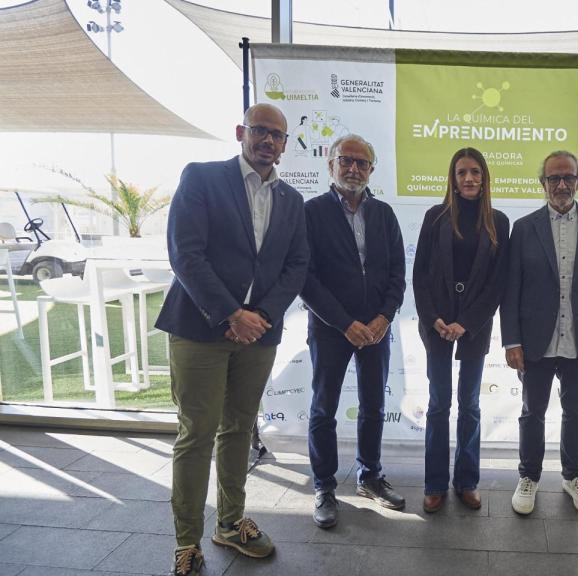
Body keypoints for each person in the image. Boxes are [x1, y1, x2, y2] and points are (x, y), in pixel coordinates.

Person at [157, 102, 309, 576]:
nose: (268, 141)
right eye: (261, 131)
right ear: (242, 132)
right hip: (200, 329)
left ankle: (229, 521)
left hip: (259, 334)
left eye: (277, 135)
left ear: (285, 145)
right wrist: (230, 313)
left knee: (239, 428)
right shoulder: (202, 177)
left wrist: (260, 315)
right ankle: (187, 542)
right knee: (196, 433)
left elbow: (296, 265)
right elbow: (186, 253)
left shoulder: (291, 200)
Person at [501, 150, 578, 516]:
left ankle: (573, 476)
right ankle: (529, 477)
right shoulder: (523, 229)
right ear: (543, 184)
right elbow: (511, 290)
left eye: (568, 177)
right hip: (536, 340)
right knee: (532, 412)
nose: (562, 184)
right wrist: (512, 340)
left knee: (576, 411)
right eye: (554, 178)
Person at [302, 134, 406, 529]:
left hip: (377, 329)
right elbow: (306, 278)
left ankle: (370, 476)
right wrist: (344, 323)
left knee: (374, 407)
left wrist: (383, 318)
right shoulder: (311, 213)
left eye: (362, 163)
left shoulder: (384, 214)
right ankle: (325, 487)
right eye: (346, 160)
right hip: (331, 329)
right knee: (323, 409)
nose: (354, 168)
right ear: (331, 164)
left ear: (371, 170)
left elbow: (398, 274)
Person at [413, 147, 510, 513]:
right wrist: (433, 318)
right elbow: (420, 274)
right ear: (452, 179)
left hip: (475, 326)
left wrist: (465, 322)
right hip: (436, 324)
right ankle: (435, 483)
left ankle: (466, 481)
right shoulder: (434, 217)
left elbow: (497, 284)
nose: (468, 178)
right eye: (461, 172)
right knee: (439, 405)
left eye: (475, 172)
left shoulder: (499, 222)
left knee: (469, 405)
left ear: (484, 177)